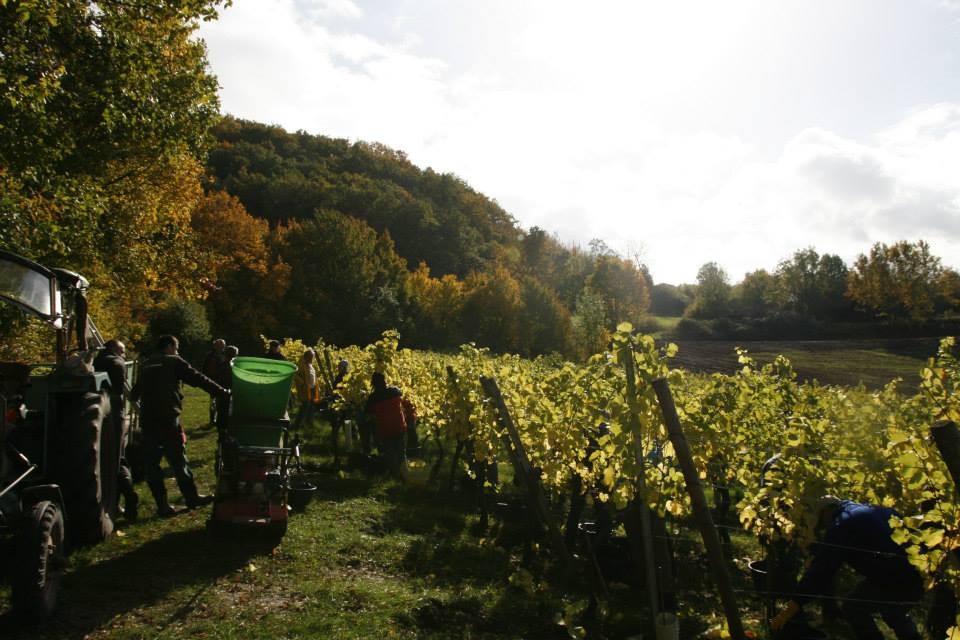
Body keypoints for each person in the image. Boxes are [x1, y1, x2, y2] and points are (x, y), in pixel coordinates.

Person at [770, 497, 923, 640]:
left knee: (854, 607)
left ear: (826, 512)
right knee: (894, 611)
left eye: (822, 521)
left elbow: (821, 571)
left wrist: (793, 607)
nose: (824, 526)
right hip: (917, 570)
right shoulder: (875, 510)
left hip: (893, 576)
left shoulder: (843, 523)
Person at [130, 335, 229, 517]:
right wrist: (223, 392)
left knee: (152, 464)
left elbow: (134, 393)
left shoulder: (146, 364)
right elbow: (199, 379)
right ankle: (192, 498)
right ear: (169, 347)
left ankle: (162, 506)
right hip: (168, 419)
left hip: (148, 420)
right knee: (178, 460)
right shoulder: (173, 361)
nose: (177, 351)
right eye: (176, 348)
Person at [93, 339, 138, 522]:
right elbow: (119, 388)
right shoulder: (116, 363)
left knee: (112, 459)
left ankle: (119, 503)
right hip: (112, 415)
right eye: (122, 350)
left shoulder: (95, 361)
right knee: (118, 460)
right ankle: (130, 499)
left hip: (98, 417)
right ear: (114, 348)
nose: (124, 354)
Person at [364, 372, 408, 481]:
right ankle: (405, 476)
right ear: (385, 381)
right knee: (401, 452)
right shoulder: (394, 391)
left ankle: (396, 477)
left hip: (386, 430)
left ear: (373, 384)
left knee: (390, 454)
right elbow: (401, 394)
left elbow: (368, 413)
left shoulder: (373, 397)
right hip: (399, 426)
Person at [212, 345, 238, 432]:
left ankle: (222, 430)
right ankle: (223, 431)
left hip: (221, 391)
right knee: (225, 413)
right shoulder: (230, 366)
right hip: (226, 392)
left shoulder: (223, 365)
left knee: (222, 412)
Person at [292, 349, 319, 430]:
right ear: (306, 357)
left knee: (310, 407)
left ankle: (307, 424)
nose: (312, 358)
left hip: (311, 390)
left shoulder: (311, 366)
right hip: (305, 390)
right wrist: (302, 383)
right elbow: (296, 375)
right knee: (305, 407)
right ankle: (297, 425)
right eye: (310, 356)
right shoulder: (302, 365)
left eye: (312, 356)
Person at [201, 339, 227, 425]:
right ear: (215, 346)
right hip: (214, 381)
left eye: (223, 345)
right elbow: (207, 369)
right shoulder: (210, 356)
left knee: (220, 402)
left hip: (222, 381)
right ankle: (212, 420)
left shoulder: (224, 355)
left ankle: (219, 419)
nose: (222, 347)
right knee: (213, 401)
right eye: (220, 345)